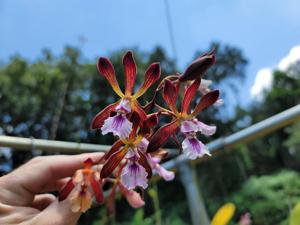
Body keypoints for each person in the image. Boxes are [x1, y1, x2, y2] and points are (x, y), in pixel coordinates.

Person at [0, 152, 104, 225]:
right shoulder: (82, 174)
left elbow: (69, 189)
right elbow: (96, 194)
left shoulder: (81, 174)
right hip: (82, 194)